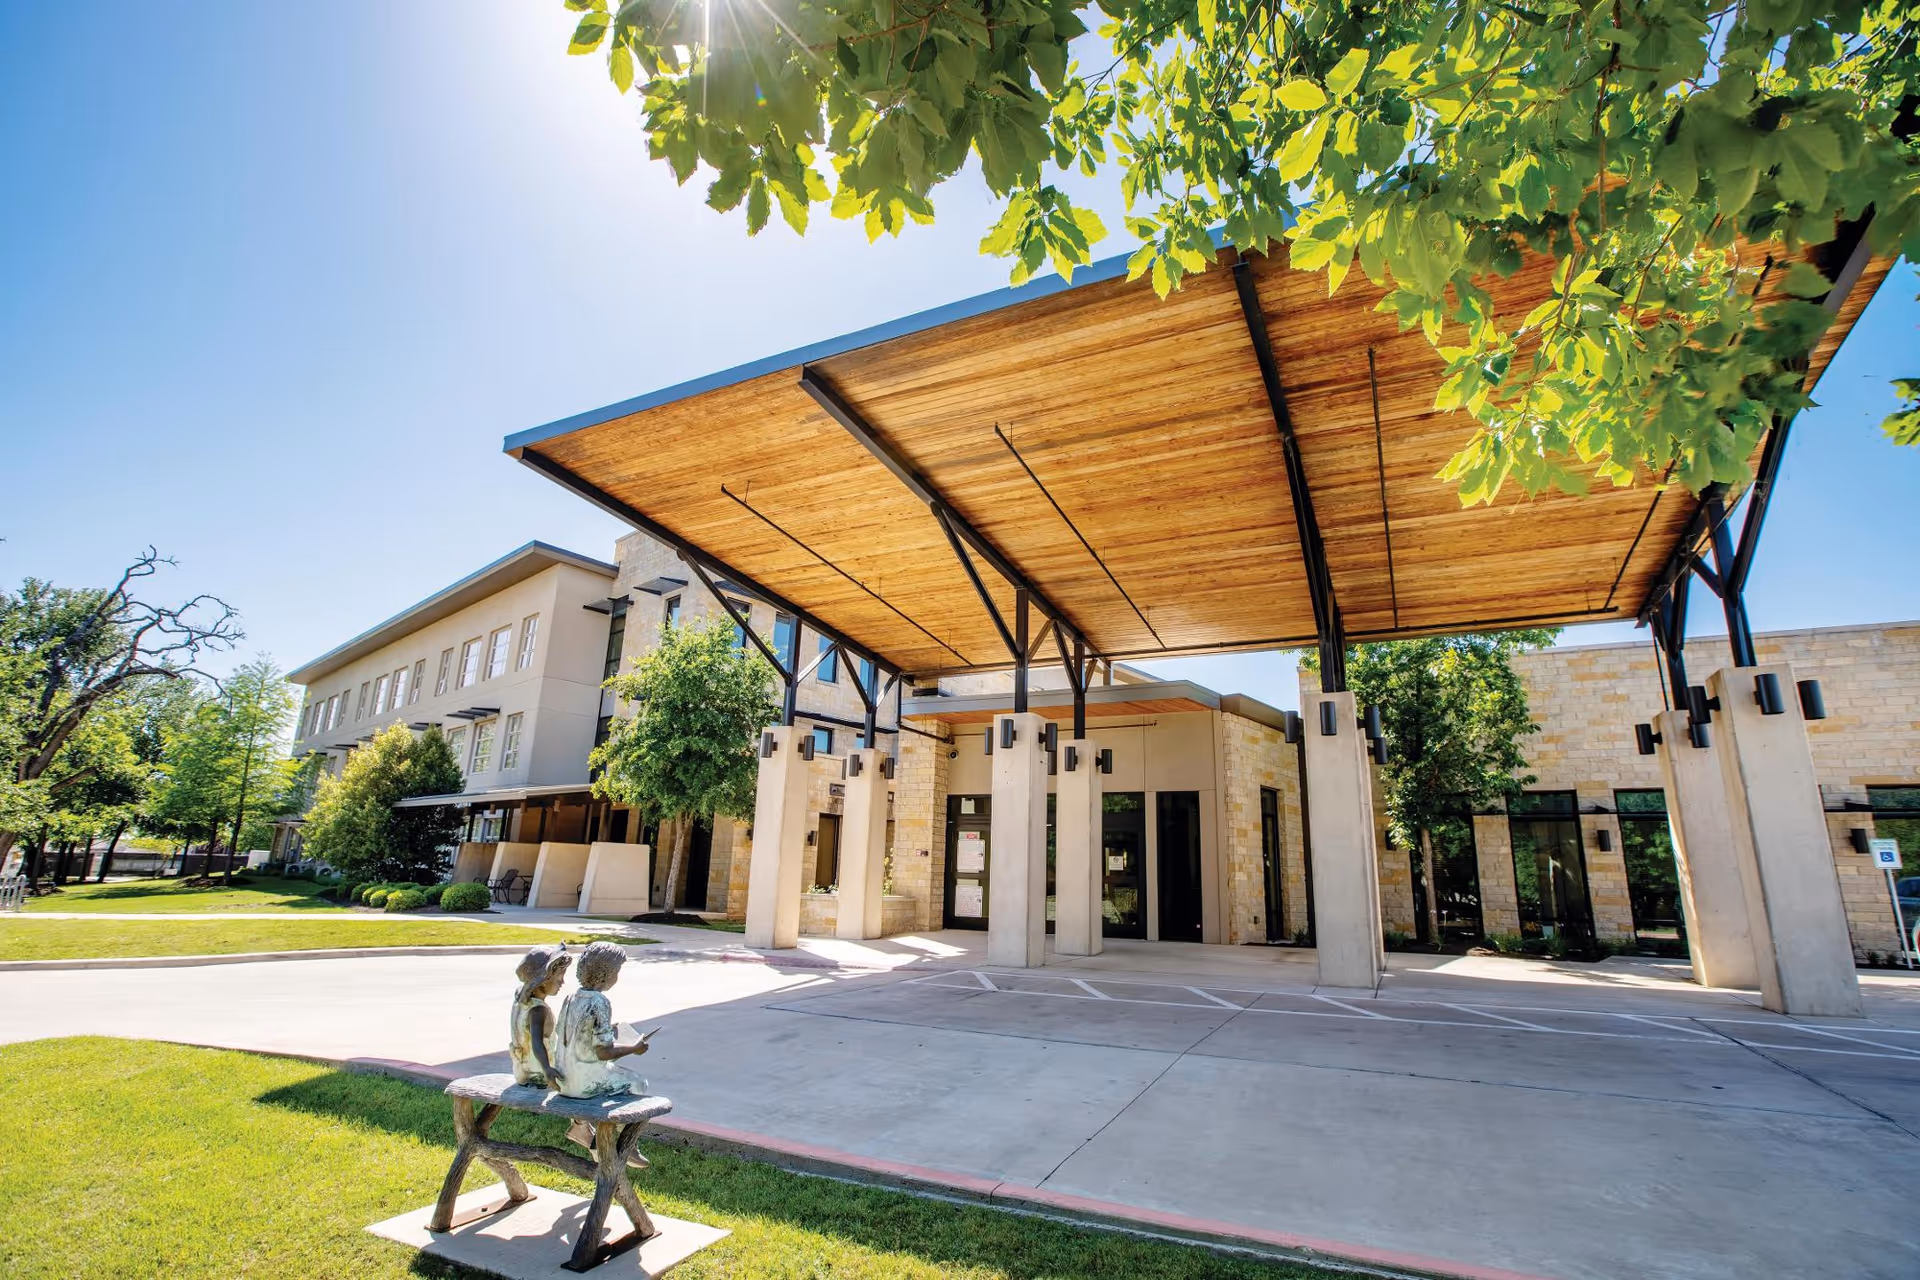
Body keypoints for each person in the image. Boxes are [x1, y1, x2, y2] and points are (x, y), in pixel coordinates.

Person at [553, 940, 648, 1099]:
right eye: (617, 972)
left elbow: (573, 1037)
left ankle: (580, 1123)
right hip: (584, 1082)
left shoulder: (571, 998)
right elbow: (604, 1053)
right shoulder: (599, 1002)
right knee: (639, 1083)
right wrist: (634, 1047)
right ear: (607, 974)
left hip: (563, 1079)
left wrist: (606, 1030)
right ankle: (610, 1122)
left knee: (618, 1073)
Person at [508, 945, 570, 1088]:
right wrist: (547, 1069)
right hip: (539, 1075)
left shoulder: (520, 998)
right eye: (559, 976)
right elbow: (537, 1042)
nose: (562, 982)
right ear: (542, 980)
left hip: (522, 1072)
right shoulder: (538, 1010)